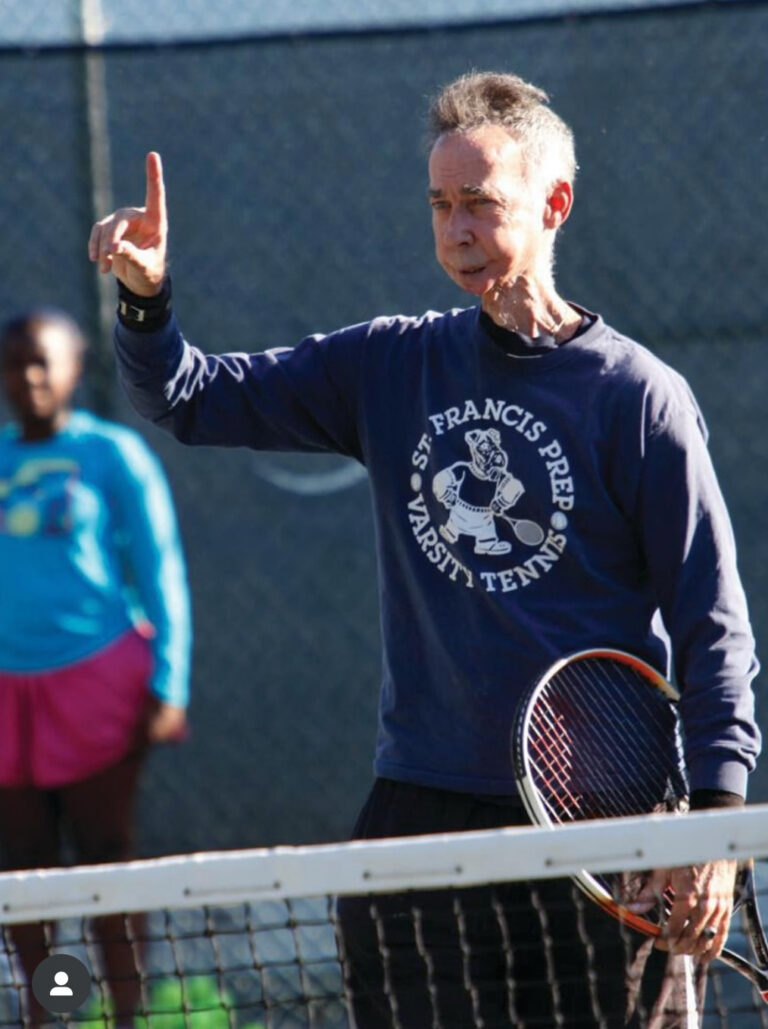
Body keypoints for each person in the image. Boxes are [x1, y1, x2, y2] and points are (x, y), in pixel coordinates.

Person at [87, 71, 760, 1028]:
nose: (455, 229)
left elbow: (713, 628)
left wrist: (716, 820)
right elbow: (191, 396)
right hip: (421, 817)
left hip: (601, 830)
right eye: (440, 204)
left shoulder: (639, 397)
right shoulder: (391, 364)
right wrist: (147, 303)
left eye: (481, 203)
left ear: (554, 203)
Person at [0, 308, 192, 1028]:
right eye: (14, 363)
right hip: (6, 699)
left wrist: (168, 684)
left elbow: (161, 570)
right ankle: (53, 1011)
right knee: (25, 865)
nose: (27, 377)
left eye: (41, 361)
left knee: (105, 860)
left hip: (99, 689)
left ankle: (124, 1014)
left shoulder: (113, 456)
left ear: (75, 369)